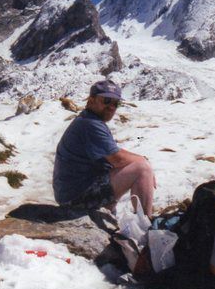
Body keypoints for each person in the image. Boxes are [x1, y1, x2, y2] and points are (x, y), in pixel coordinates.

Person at [53, 80, 156, 216]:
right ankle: (145, 226)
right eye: (107, 100)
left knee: (137, 164)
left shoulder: (88, 120)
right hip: (75, 198)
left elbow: (112, 153)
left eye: (116, 103)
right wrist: (143, 162)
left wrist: (140, 159)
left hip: (72, 192)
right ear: (91, 100)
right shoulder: (90, 124)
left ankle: (115, 215)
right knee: (142, 169)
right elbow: (117, 159)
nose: (111, 107)